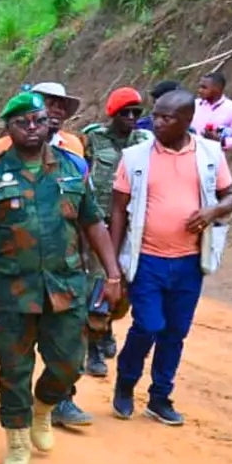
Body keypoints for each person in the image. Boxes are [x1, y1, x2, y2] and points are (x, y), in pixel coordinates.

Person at [0, 92, 120, 464]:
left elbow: (93, 223)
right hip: (12, 292)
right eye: (23, 123)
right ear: (9, 129)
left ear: (48, 123)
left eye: (38, 120)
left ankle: (43, 408)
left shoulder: (72, 168)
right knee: (13, 369)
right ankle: (17, 442)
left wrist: (113, 274)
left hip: (65, 286)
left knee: (69, 364)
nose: (32, 128)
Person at [109, 89, 232, 425]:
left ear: (187, 120)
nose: (157, 122)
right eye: (157, 115)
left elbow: (230, 197)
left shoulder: (210, 153)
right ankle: (125, 384)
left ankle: (160, 397)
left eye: (167, 117)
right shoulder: (135, 156)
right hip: (146, 259)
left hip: (189, 262)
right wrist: (113, 266)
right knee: (148, 325)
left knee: (175, 331)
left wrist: (212, 211)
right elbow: (118, 210)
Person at [78, 87, 154, 375]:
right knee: (99, 283)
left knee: (125, 285)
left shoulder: (145, 141)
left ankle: (107, 327)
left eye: (137, 112)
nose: (132, 117)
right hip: (100, 223)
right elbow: (81, 175)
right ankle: (93, 350)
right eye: (126, 112)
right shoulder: (94, 138)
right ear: (113, 113)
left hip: (135, 224)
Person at [0, 82, 85, 161]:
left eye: (62, 107)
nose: (57, 110)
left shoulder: (73, 145)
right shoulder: (0, 148)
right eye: (50, 104)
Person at [192, 72, 232, 151]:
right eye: (200, 87)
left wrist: (219, 140)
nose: (200, 90)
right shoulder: (194, 104)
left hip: (214, 156)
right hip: (190, 153)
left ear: (218, 89)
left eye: (204, 88)